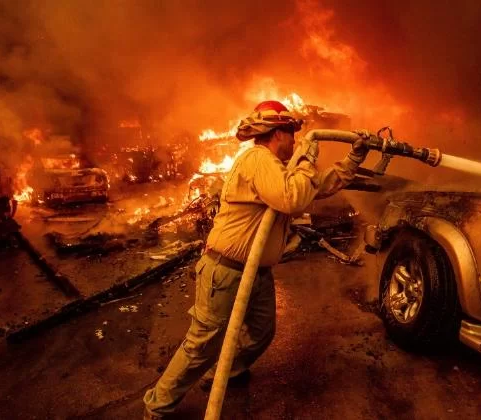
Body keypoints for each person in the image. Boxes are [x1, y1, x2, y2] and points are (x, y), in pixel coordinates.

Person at [143, 100, 369, 419]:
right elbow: (292, 199)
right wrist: (308, 152)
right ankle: (157, 405)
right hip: (225, 271)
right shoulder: (257, 158)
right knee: (202, 345)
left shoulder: (277, 170)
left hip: (255, 273)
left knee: (261, 332)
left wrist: (353, 159)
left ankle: (225, 373)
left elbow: (313, 187)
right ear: (278, 133)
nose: (295, 141)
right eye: (292, 135)